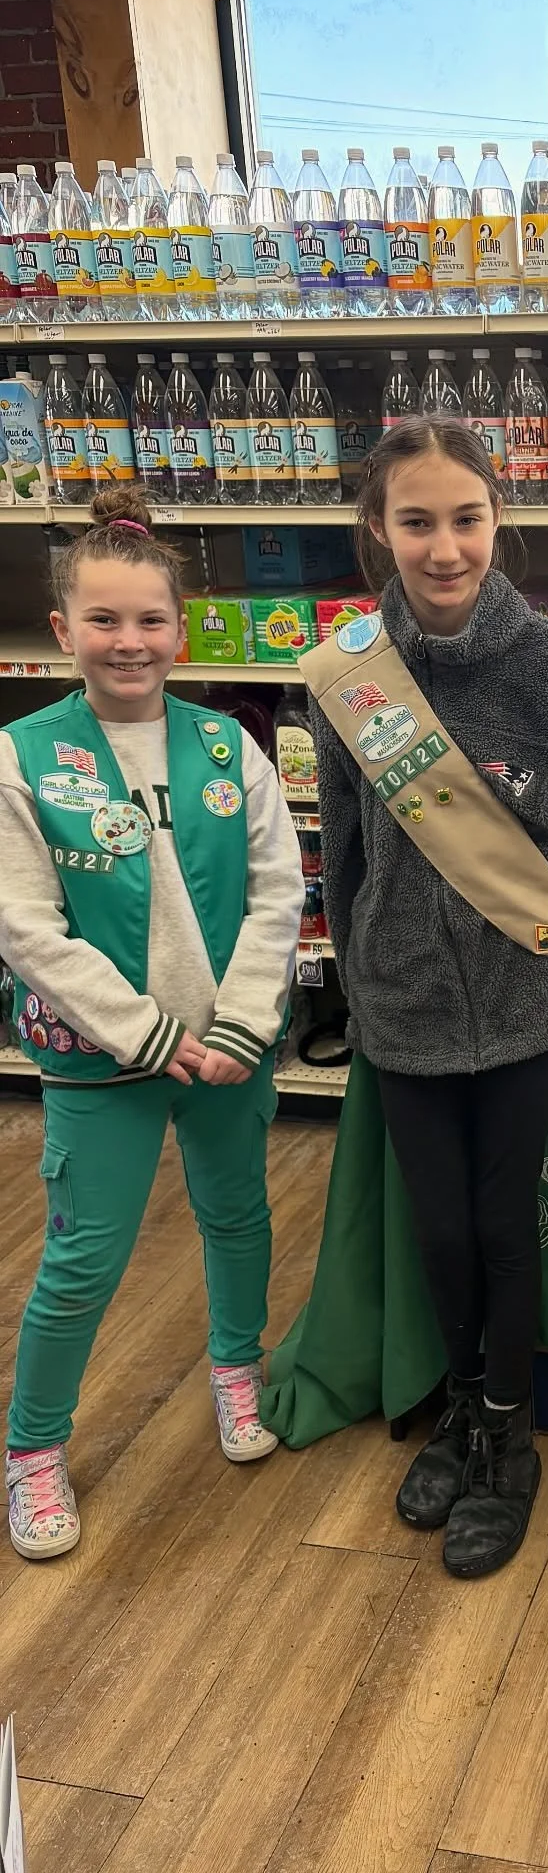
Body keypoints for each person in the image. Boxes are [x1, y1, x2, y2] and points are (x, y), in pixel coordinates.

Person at [311, 416, 548, 1581]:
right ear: (379, 529)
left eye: (466, 518)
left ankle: (509, 1436)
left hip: (525, 1004)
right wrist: (359, 985)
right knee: (441, 1230)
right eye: (417, 521)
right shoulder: (351, 674)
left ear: (500, 521)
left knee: (505, 1229)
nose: (444, 546)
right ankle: (461, 1408)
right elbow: (344, 855)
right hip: (403, 1005)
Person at [1, 486, 303, 1561]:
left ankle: (236, 1372)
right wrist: (145, 1031)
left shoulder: (229, 747)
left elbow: (278, 893)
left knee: (238, 1219)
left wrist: (241, 1022)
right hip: (102, 1057)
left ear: (182, 626)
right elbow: (27, 927)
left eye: (149, 620)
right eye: (103, 620)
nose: (129, 643)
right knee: (84, 1258)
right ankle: (32, 1448)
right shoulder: (23, 757)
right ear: (62, 631)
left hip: (224, 1052)